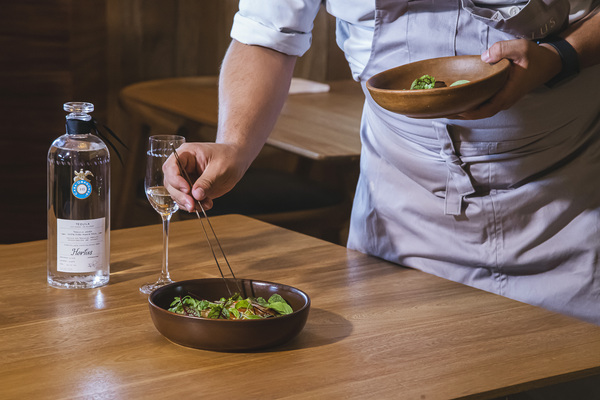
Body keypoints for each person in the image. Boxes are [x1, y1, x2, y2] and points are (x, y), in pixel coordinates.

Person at [163, 1, 600, 325]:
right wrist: (234, 145)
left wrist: (563, 55)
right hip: (402, 205)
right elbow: (266, 36)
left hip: (566, 200)